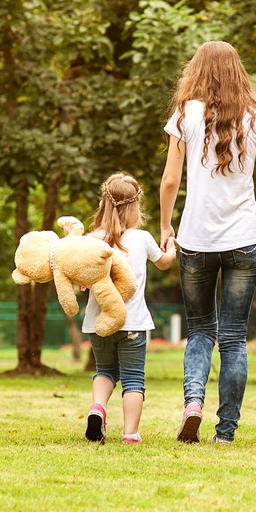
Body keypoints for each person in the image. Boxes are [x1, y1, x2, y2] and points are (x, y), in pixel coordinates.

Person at [160, 41, 256, 444]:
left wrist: (165, 227)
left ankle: (193, 403)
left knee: (200, 331)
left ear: (197, 71)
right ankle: (225, 432)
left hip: (195, 239)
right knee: (233, 336)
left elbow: (171, 180)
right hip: (244, 241)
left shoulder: (185, 116)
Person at [83, 173, 177, 446]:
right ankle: (130, 434)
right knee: (133, 378)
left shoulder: (92, 240)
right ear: (135, 206)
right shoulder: (143, 238)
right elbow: (165, 262)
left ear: (104, 203)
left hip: (99, 322)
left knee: (104, 371)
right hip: (133, 323)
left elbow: (80, 274)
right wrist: (170, 246)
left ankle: (97, 408)